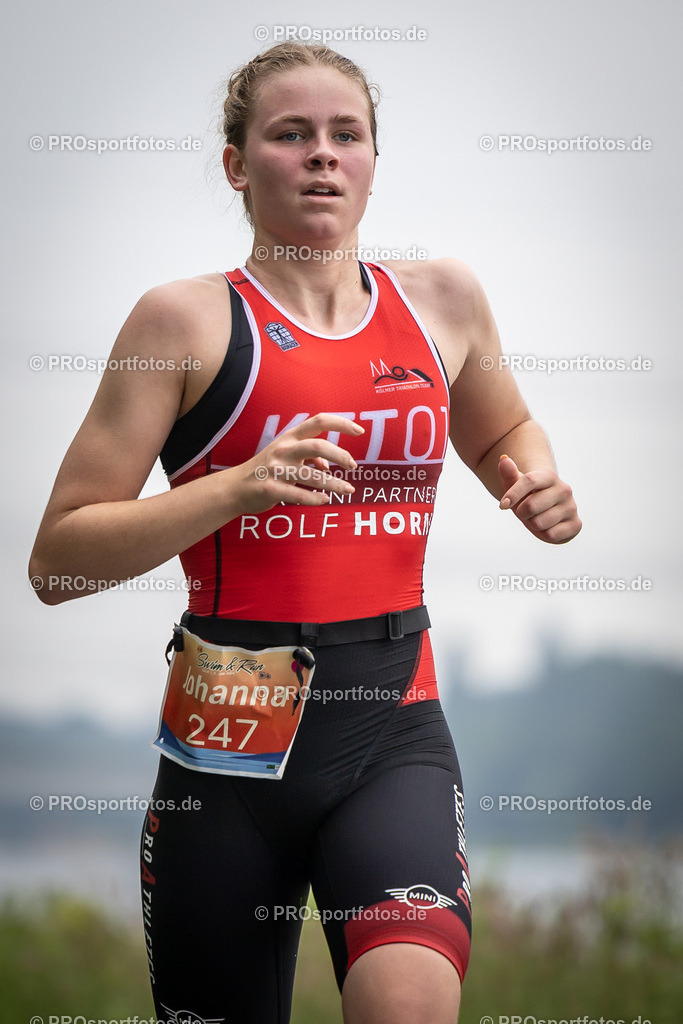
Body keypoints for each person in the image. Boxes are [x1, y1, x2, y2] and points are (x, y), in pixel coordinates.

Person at [29, 41, 581, 1024]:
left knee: (406, 1005)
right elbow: (59, 561)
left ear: (372, 158)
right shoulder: (181, 322)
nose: (322, 155)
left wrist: (531, 478)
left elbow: (503, 428)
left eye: (345, 134)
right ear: (238, 163)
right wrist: (231, 490)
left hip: (390, 723)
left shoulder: (441, 301)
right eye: (291, 135)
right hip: (224, 751)